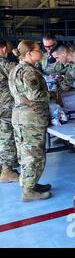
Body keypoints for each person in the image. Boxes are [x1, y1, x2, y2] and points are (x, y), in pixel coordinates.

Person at [9, 40, 51, 201]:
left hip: (21, 117)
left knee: (25, 153)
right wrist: (52, 94)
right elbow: (36, 95)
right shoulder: (29, 72)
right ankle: (28, 191)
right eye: (38, 50)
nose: (41, 52)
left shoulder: (16, 69)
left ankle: (31, 184)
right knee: (34, 155)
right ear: (29, 54)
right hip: (31, 119)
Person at [0, 39, 19, 182]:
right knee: (7, 137)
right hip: (5, 106)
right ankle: (7, 170)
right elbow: (19, 74)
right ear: (4, 48)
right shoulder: (3, 63)